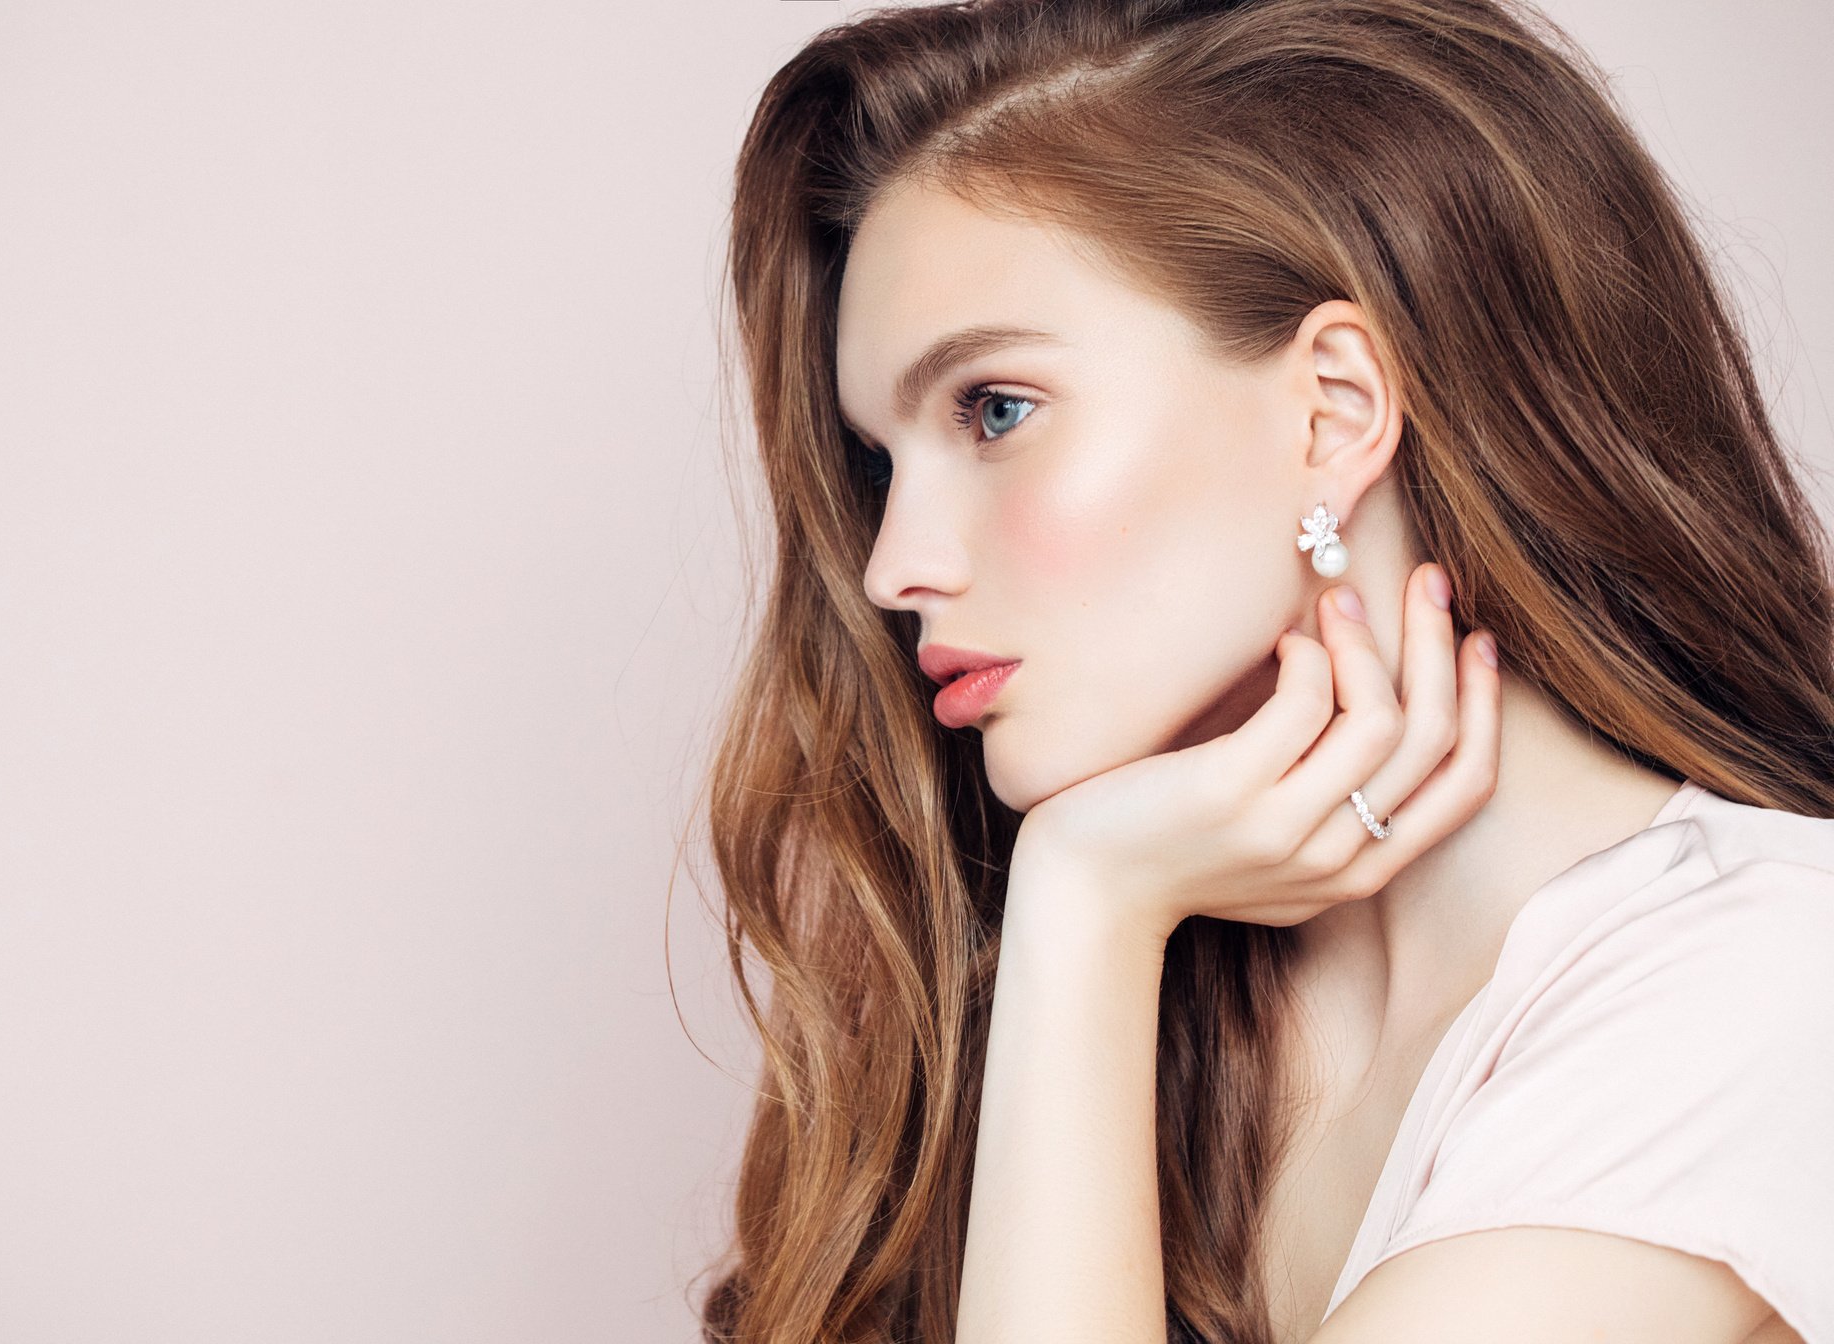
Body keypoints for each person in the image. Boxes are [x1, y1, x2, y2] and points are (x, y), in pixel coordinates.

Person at [691, 1, 1834, 1340]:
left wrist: (1088, 904)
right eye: (882, 465)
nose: (893, 567)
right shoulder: (1173, 1002)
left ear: (1333, 409)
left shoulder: (1768, 991)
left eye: (996, 411)